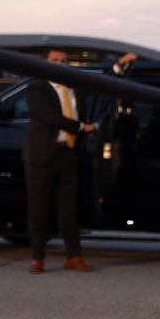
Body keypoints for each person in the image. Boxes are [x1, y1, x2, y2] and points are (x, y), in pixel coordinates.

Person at [23, 49, 137, 274]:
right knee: (39, 208)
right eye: (54, 61)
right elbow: (48, 117)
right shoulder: (36, 88)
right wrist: (81, 128)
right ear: (45, 63)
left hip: (68, 153)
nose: (59, 64)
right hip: (41, 155)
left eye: (63, 61)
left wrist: (118, 66)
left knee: (69, 209)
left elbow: (98, 84)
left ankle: (73, 257)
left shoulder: (73, 85)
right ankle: (37, 258)